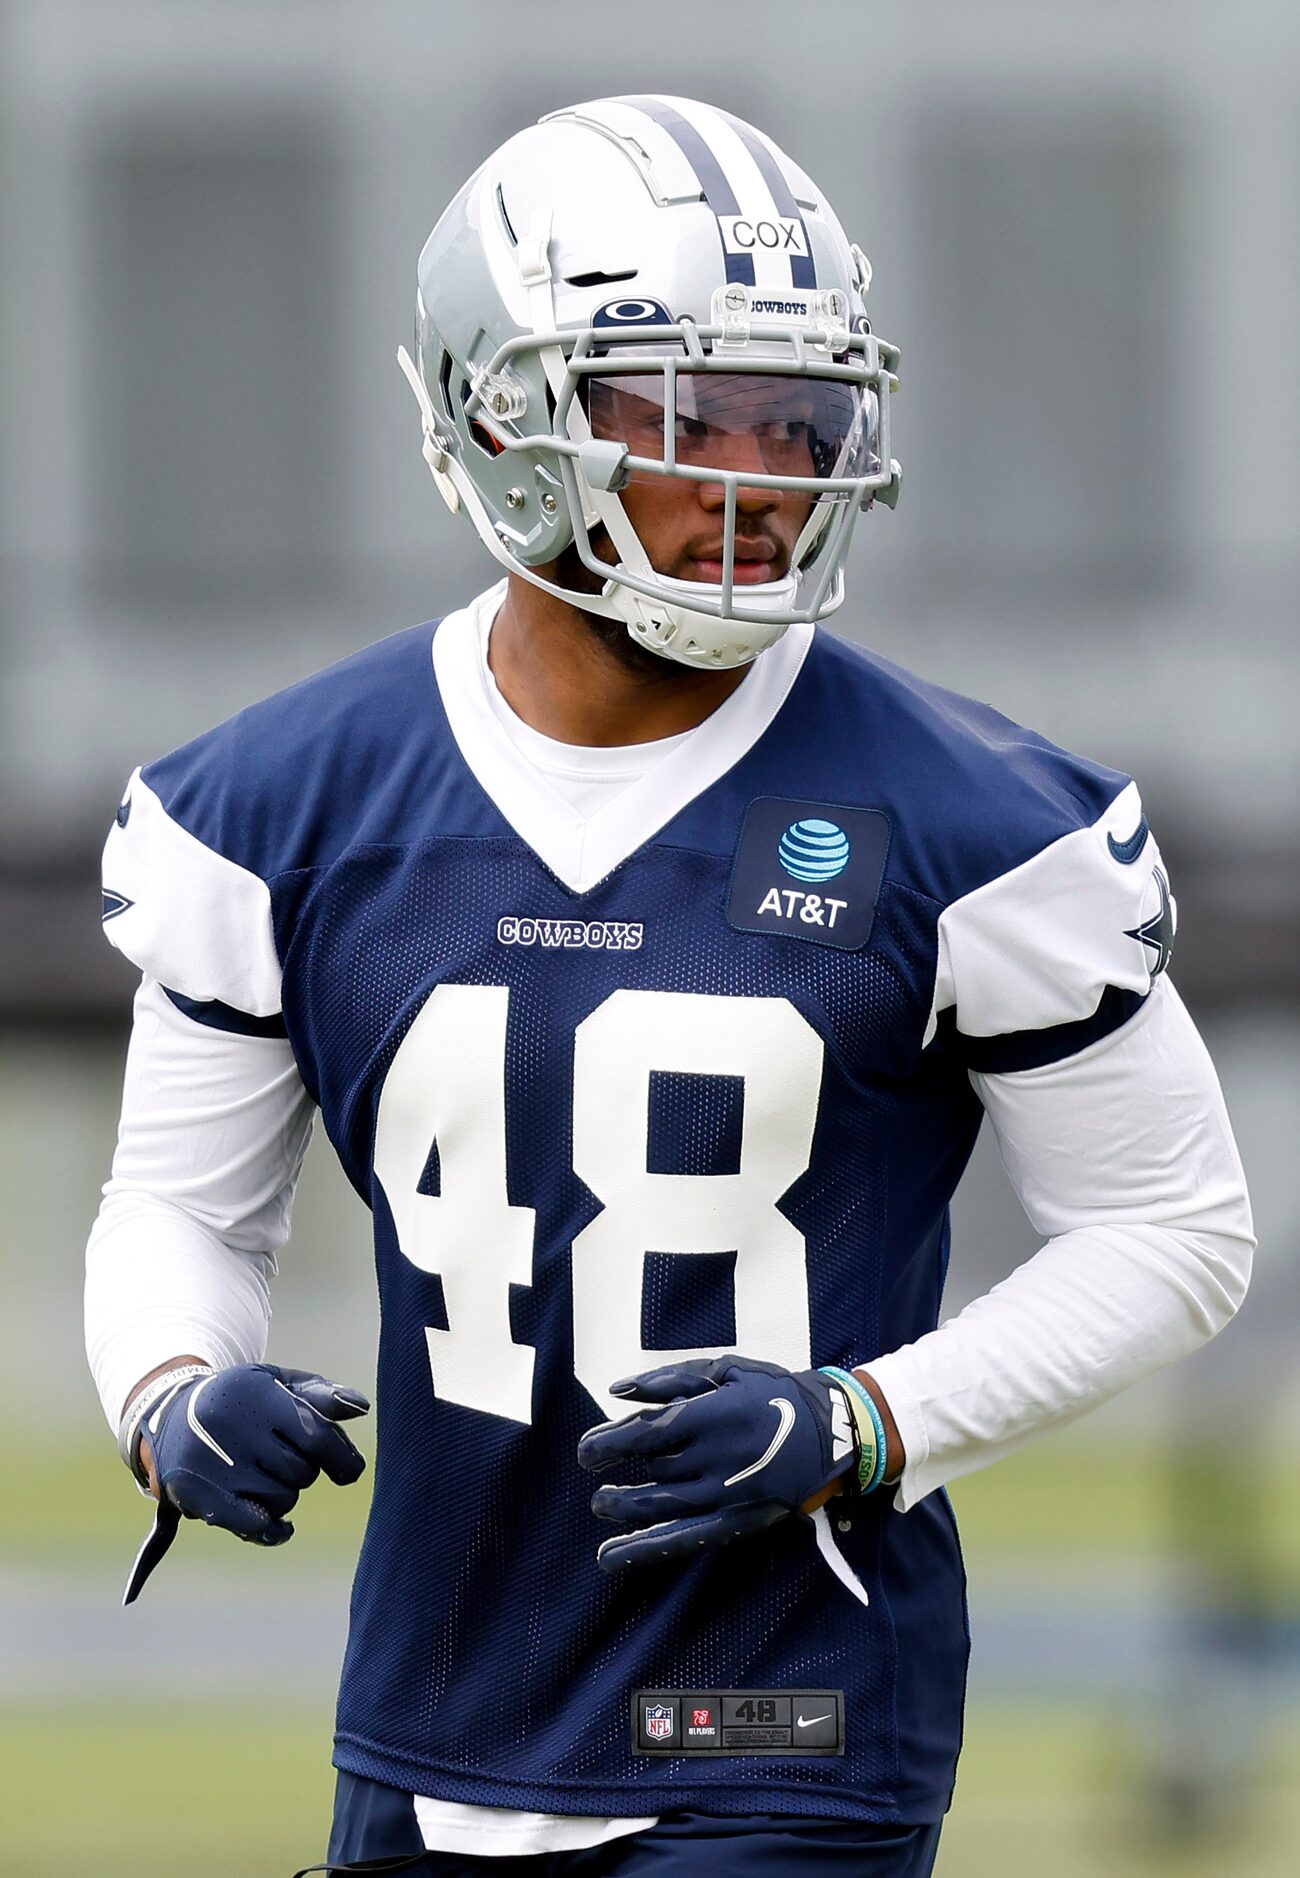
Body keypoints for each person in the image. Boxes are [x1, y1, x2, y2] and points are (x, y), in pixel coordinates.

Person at [84, 95, 1254, 1878]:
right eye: (690, 417)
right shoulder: (287, 806)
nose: (760, 475)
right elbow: (177, 1202)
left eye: (799, 416)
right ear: (502, 416)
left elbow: (1177, 1227)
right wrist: (174, 1389)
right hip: (428, 1713)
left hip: (784, 1732)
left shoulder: (972, 818)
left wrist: (873, 1417)